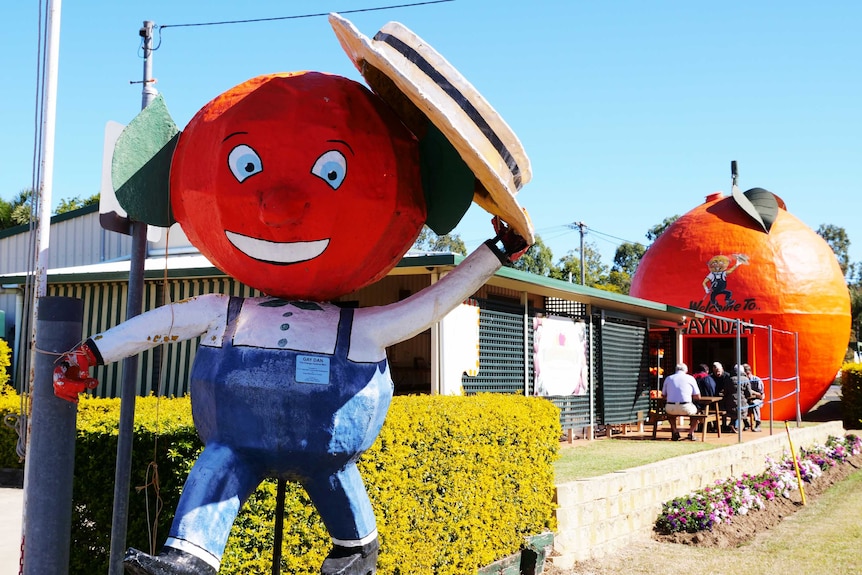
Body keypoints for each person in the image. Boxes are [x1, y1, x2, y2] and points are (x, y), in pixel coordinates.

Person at [661, 363, 702, 441]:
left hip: (670, 407)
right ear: (686, 370)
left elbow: (663, 395)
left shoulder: (668, 378)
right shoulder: (690, 378)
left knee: (670, 414)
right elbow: (698, 396)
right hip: (685, 407)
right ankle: (691, 433)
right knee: (698, 413)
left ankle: (675, 431)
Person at [722, 365, 753, 433]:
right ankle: (735, 425)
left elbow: (725, 392)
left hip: (730, 403)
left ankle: (733, 424)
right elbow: (749, 393)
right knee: (743, 409)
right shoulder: (745, 379)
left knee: (734, 412)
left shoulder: (729, 379)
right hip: (742, 403)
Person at [711, 362, 733, 431]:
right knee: (713, 407)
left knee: (725, 408)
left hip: (726, 397)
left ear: (722, 369)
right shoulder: (711, 377)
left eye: (719, 371)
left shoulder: (728, 376)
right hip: (715, 397)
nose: (717, 373)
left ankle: (724, 425)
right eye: (716, 371)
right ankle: (715, 425)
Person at [744, 363, 764, 431]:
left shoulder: (757, 380)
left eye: (747, 374)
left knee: (755, 404)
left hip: (757, 400)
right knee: (741, 404)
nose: (746, 376)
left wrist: (752, 391)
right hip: (747, 400)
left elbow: (761, 396)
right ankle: (746, 423)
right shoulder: (743, 381)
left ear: (750, 372)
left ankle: (758, 424)